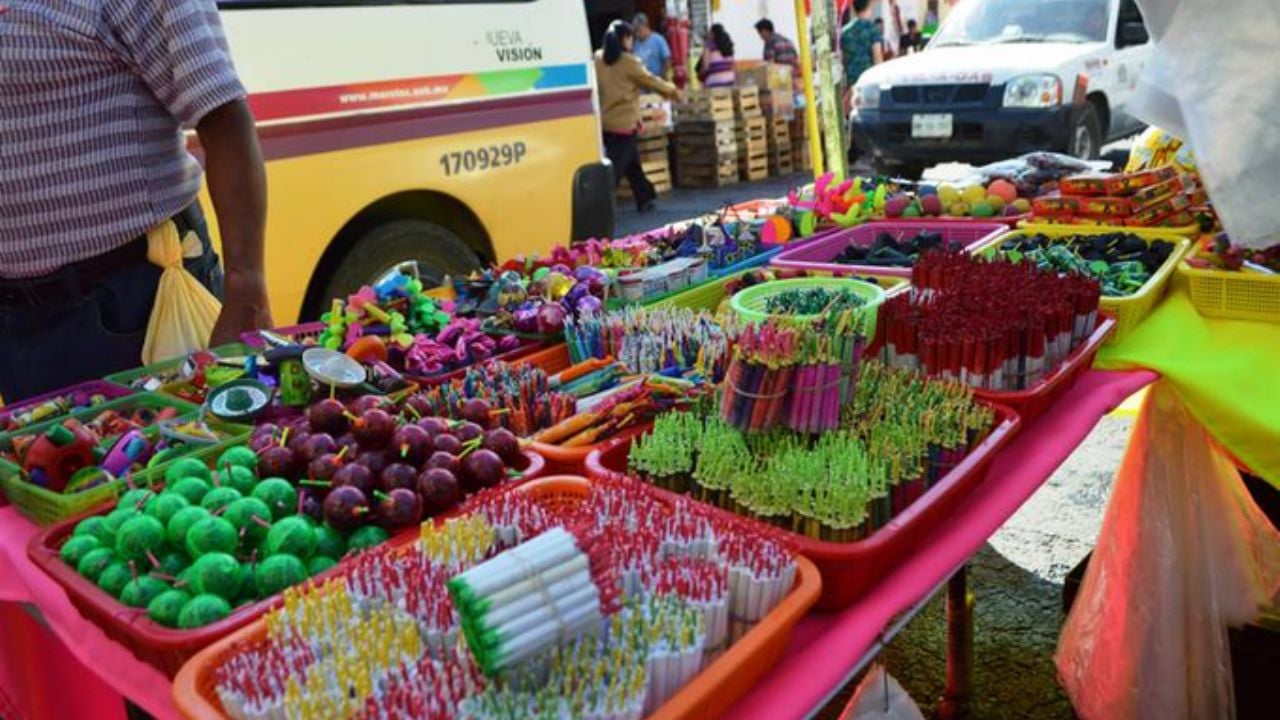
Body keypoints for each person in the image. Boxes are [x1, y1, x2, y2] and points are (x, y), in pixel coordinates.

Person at [0, 0, 271, 403]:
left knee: (174, 462)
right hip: (18, 320)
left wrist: (246, 292)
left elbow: (224, 117)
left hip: (134, 303)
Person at [594, 20, 679, 213]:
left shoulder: (598, 58)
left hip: (605, 123)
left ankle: (645, 196)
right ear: (625, 38)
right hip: (624, 125)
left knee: (631, 164)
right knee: (614, 171)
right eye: (630, 38)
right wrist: (673, 91)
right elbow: (650, 80)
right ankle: (599, 208)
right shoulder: (628, 61)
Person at [841, 0, 885, 91]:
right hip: (869, 79)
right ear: (868, 7)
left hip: (852, 81)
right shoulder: (872, 29)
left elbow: (843, 59)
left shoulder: (845, 32)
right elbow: (877, 55)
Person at [631, 13, 673, 80]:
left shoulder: (658, 40)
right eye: (635, 31)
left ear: (646, 27)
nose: (637, 34)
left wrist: (662, 76)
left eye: (639, 30)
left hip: (658, 80)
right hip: (643, 84)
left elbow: (667, 60)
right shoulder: (635, 44)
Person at [696, 24, 737, 88]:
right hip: (730, 81)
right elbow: (733, 65)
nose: (708, 35)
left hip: (715, 82)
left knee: (702, 83)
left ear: (712, 34)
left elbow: (706, 67)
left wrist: (699, 75)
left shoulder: (709, 45)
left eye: (709, 33)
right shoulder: (728, 44)